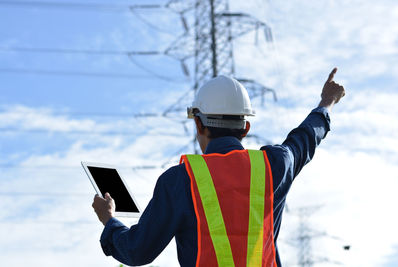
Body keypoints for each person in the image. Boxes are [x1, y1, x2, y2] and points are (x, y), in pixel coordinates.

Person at [92, 68, 345, 267]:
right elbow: (306, 137)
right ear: (246, 128)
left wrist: (109, 220)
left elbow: (137, 251)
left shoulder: (180, 180)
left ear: (199, 126)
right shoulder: (275, 165)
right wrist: (327, 102)